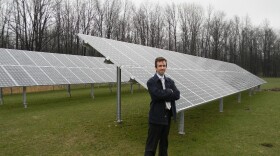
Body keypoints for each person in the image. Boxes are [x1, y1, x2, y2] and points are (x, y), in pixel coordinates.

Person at [144, 57, 180, 156]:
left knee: (164, 144)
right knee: (151, 146)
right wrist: (169, 92)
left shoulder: (170, 81)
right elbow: (156, 95)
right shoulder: (151, 82)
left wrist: (164, 94)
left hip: (167, 117)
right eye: (160, 66)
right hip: (156, 117)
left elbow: (177, 95)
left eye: (164, 66)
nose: (162, 68)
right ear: (155, 68)